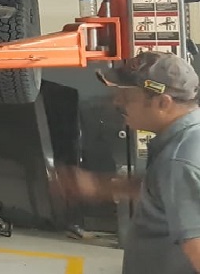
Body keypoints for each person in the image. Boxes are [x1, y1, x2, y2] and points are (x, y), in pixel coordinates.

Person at [57, 51, 200, 273]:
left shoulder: (177, 161)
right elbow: (170, 191)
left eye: (127, 97)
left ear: (163, 102)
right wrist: (104, 187)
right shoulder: (187, 140)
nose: (117, 102)